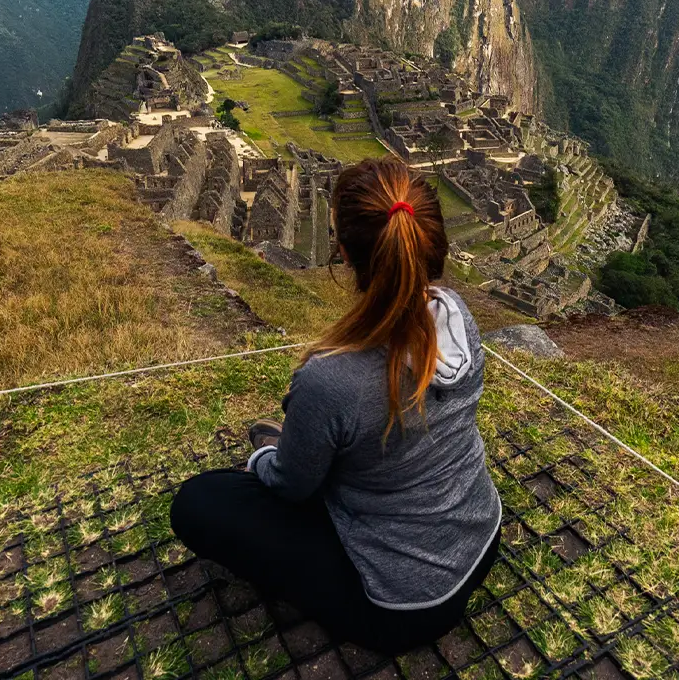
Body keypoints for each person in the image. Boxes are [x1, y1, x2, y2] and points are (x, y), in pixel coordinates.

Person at [170, 157, 502, 654]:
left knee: (199, 501)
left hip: (405, 607)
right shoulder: (457, 318)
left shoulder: (332, 377)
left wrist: (264, 459)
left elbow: (293, 487)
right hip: (481, 533)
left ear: (344, 253)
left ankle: (279, 444)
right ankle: (294, 443)